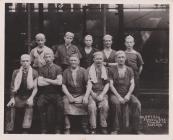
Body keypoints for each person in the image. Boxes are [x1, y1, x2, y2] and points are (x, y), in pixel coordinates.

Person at [109, 50, 142, 134]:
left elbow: (132, 84)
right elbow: (111, 85)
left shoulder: (129, 69)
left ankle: (136, 129)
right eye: (119, 57)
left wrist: (128, 95)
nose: (121, 59)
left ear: (125, 58)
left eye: (123, 57)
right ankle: (115, 129)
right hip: (115, 94)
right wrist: (119, 97)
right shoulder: (111, 69)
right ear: (116, 59)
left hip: (127, 93)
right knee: (116, 104)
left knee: (136, 103)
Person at [5, 54, 38, 133]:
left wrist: (31, 98)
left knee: (29, 105)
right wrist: (12, 98)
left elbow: (35, 88)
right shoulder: (16, 72)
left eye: (27, 61)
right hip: (18, 96)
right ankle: (9, 129)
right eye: (23, 61)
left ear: (30, 62)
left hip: (29, 96)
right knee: (10, 106)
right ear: (20, 62)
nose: (25, 63)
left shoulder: (34, 72)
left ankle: (25, 128)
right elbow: (12, 86)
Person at [37, 50, 64, 134]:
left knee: (60, 106)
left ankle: (58, 128)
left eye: (49, 57)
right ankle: (44, 128)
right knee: (39, 104)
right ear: (44, 58)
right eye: (46, 57)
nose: (48, 59)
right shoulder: (41, 68)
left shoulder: (58, 68)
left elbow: (59, 83)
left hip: (56, 93)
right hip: (44, 94)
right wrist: (53, 81)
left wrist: (46, 79)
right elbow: (40, 83)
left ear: (53, 58)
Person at [62, 54, 90, 134]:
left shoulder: (83, 70)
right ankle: (67, 127)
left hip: (81, 94)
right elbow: (63, 85)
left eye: (75, 60)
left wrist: (86, 96)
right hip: (70, 94)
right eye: (71, 60)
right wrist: (69, 96)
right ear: (69, 62)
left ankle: (84, 126)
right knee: (65, 102)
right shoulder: (66, 71)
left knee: (86, 103)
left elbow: (88, 84)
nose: (73, 62)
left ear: (78, 61)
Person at [84, 52, 109, 134]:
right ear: (93, 59)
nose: (99, 61)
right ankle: (93, 127)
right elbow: (88, 84)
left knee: (104, 106)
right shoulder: (88, 69)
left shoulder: (105, 69)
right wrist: (92, 94)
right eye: (97, 59)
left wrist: (102, 95)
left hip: (102, 93)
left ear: (103, 60)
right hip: (92, 92)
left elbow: (107, 84)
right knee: (92, 107)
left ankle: (103, 126)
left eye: (100, 59)